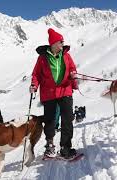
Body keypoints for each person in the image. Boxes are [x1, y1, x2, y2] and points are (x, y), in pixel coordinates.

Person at [30, 28, 78, 159]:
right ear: (53, 43)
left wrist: (73, 74)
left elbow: (72, 67)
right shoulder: (43, 58)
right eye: (60, 42)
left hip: (65, 90)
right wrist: (34, 84)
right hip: (49, 92)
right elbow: (36, 74)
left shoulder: (66, 55)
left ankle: (65, 147)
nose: (62, 44)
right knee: (50, 121)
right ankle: (50, 146)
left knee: (67, 119)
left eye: (62, 42)